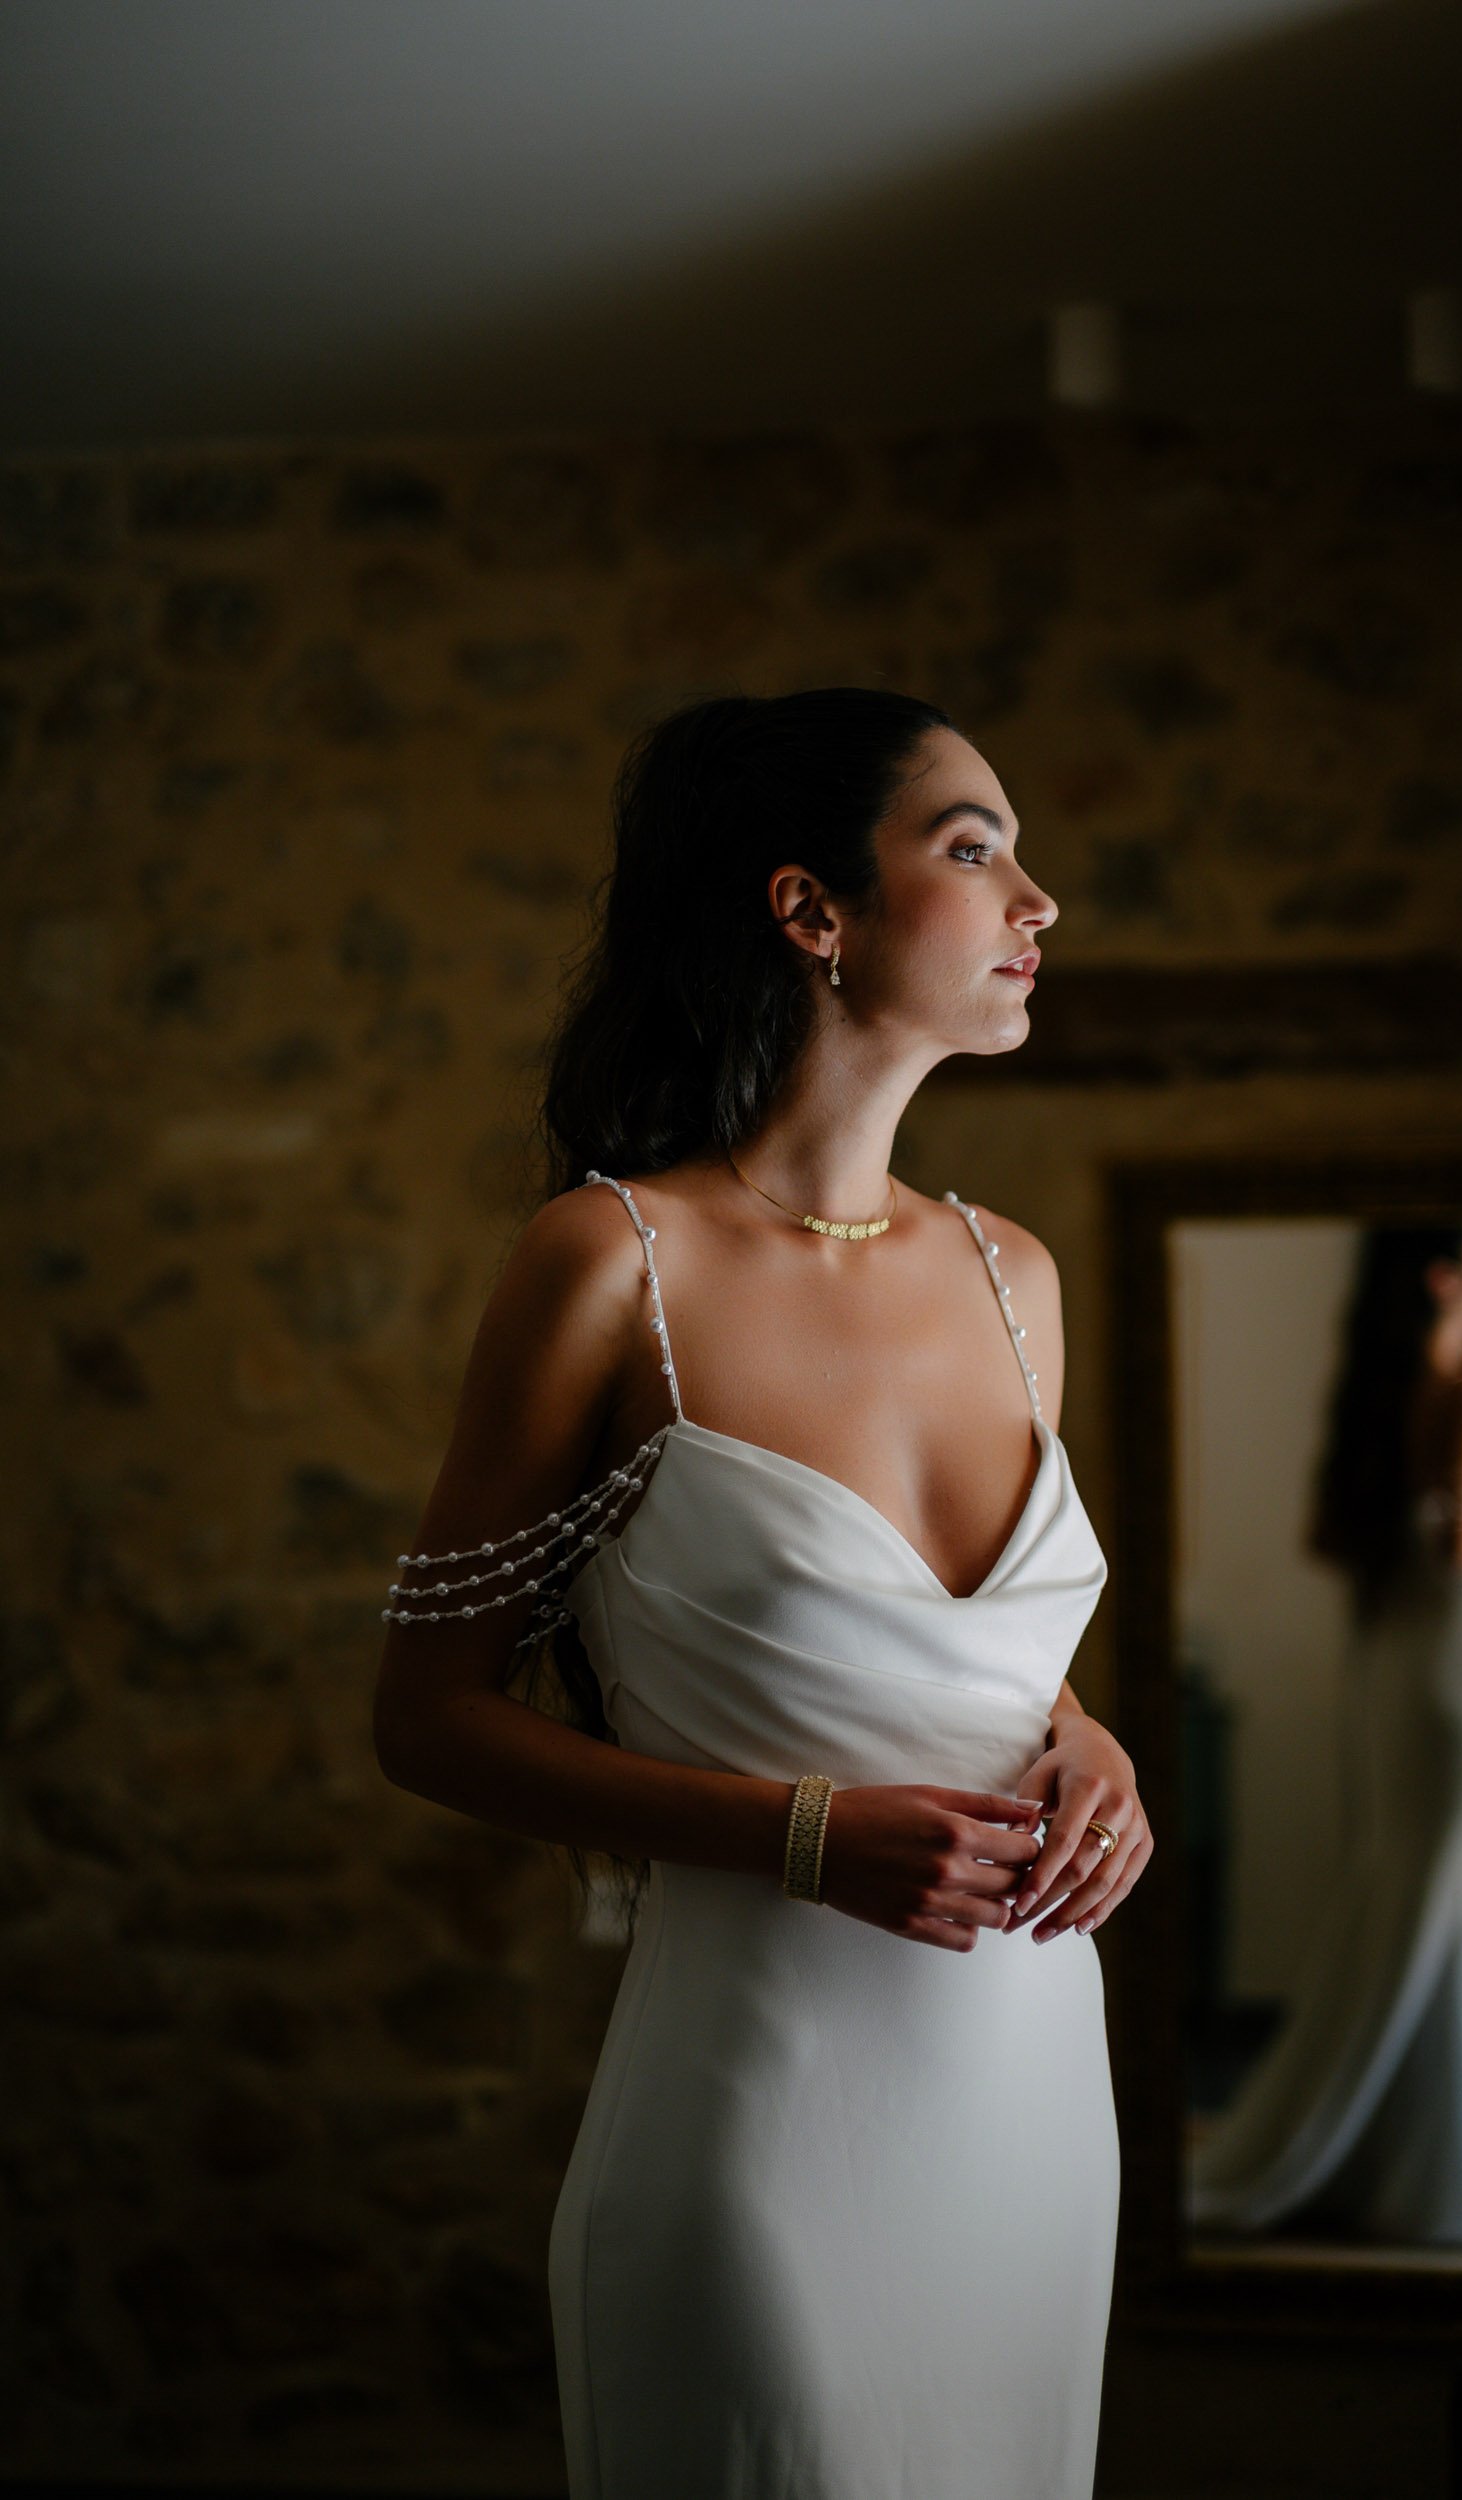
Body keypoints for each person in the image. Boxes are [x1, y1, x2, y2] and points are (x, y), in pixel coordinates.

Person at [372, 689, 1152, 2500]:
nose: (1037, 901)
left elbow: (979, 1664)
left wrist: (1086, 1739)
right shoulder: (608, 1266)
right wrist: (804, 1838)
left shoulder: (1010, 1273)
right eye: (973, 851)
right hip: (768, 2118)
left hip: (1035, 2106)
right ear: (813, 914)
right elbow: (424, 1718)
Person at [1185, 1214, 1462, 2258]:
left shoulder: (1385, 1404)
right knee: (1444, 1892)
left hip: (1399, 1659)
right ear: (1443, 1281)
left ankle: (1392, 2148)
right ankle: (1432, 2166)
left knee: (1413, 1885)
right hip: (1460, 1666)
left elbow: (1344, 1539)